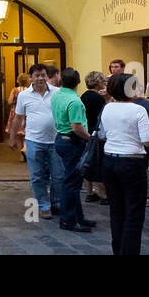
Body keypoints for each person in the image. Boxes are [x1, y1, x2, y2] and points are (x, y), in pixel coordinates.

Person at [100, 72, 149, 253]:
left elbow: (102, 134)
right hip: (132, 161)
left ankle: (118, 250)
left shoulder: (107, 108)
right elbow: (147, 140)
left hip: (110, 159)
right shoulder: (138, 110)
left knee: (116, 210)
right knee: (134, 213)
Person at [11, 63, 61, 220]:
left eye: (43, 75)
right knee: (37, 175)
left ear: (47, 76)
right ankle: (43, 205)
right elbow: (18, 117)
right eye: (37, 75)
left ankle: (56, 202)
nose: (40, 78)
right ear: (31, 77)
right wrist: (12, 137)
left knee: (58, 175)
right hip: (34, 140)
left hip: (55, 140)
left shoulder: (57, 93)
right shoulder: (24, 95)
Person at [52, 66, 95, 233]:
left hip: (61, 139)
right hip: (72, 141)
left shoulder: (57, 96)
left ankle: (78, 216)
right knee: (71, 183)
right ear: (78, 82)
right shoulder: (75, 101)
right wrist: (90, 138)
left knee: (72, 180)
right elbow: (77, 127)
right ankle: (68, 219)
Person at [80, 70, 107, 203]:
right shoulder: (98, 99)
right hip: (95, 134)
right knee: (97, 164)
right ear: (98, 83)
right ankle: (103, 195)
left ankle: (89, 192)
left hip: (86, 132)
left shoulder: (83, 96)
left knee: (87, 162)